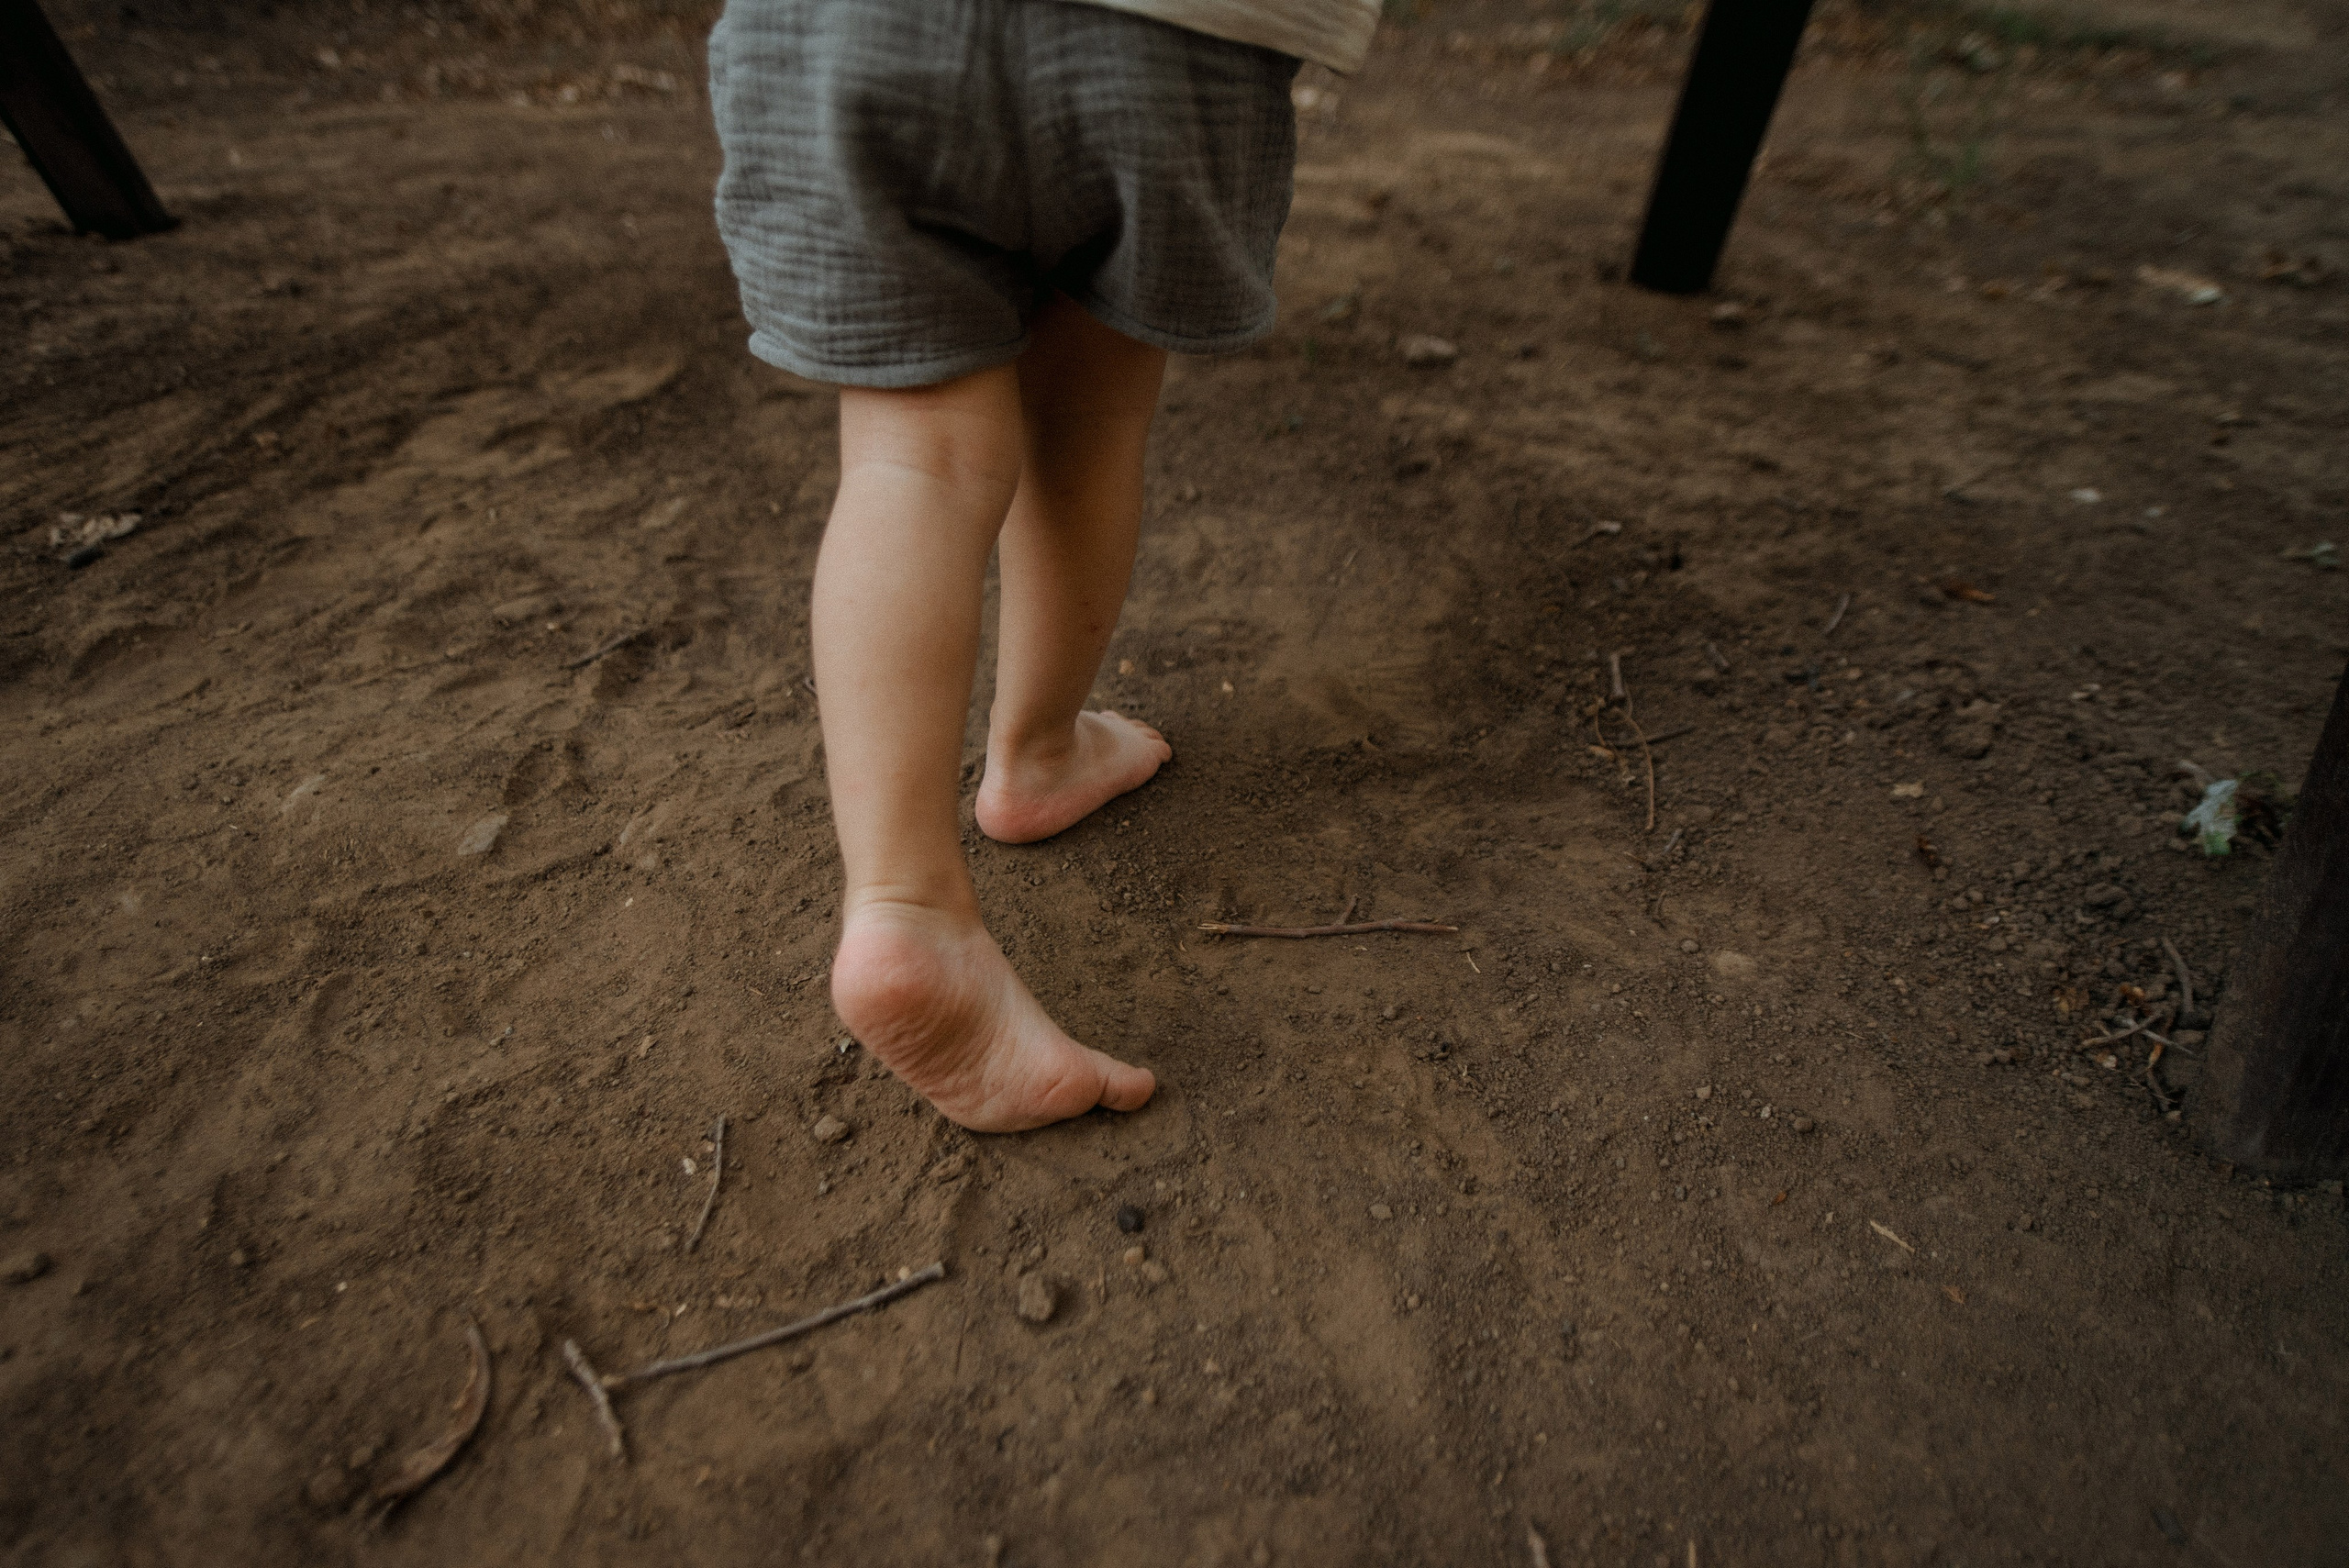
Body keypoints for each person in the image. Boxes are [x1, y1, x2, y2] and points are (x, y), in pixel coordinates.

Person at [707, 0, 1376, 1130]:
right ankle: (1038, 748)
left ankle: (903, 900)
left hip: (847, 25)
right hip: (1159, 39)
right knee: (1088, 417)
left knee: (910, 455)